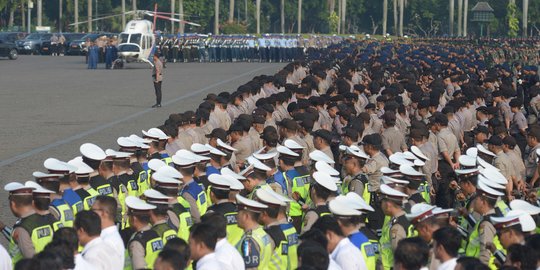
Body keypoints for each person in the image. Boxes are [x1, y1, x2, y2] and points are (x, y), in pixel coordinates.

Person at [91, 195, 125, 266]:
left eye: (93, 210)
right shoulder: (109, 236)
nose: (91, 214)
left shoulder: (108, 241)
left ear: (103, 213)